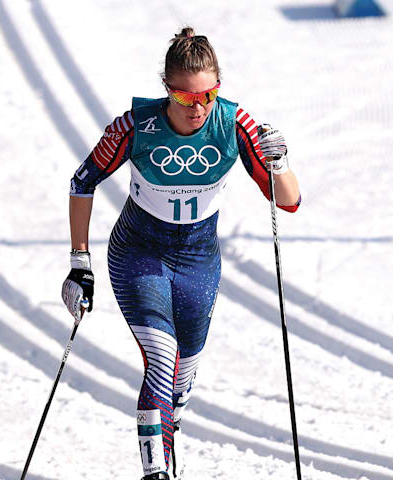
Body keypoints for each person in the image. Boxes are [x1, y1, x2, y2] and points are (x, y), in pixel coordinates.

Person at [61, 27, 301, 480]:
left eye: (208, 96)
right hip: (138, 253)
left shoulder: (234, 124)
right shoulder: (135, 127)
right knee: (161, 357)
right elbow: (82, 182)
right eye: (186, 98)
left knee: (182, 376)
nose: (199, 108)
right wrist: (79, 263)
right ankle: (155, 473)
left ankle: (165, 440)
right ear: (167, 90)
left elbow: (288, 200)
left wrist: (281, 161)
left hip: (198, 261)